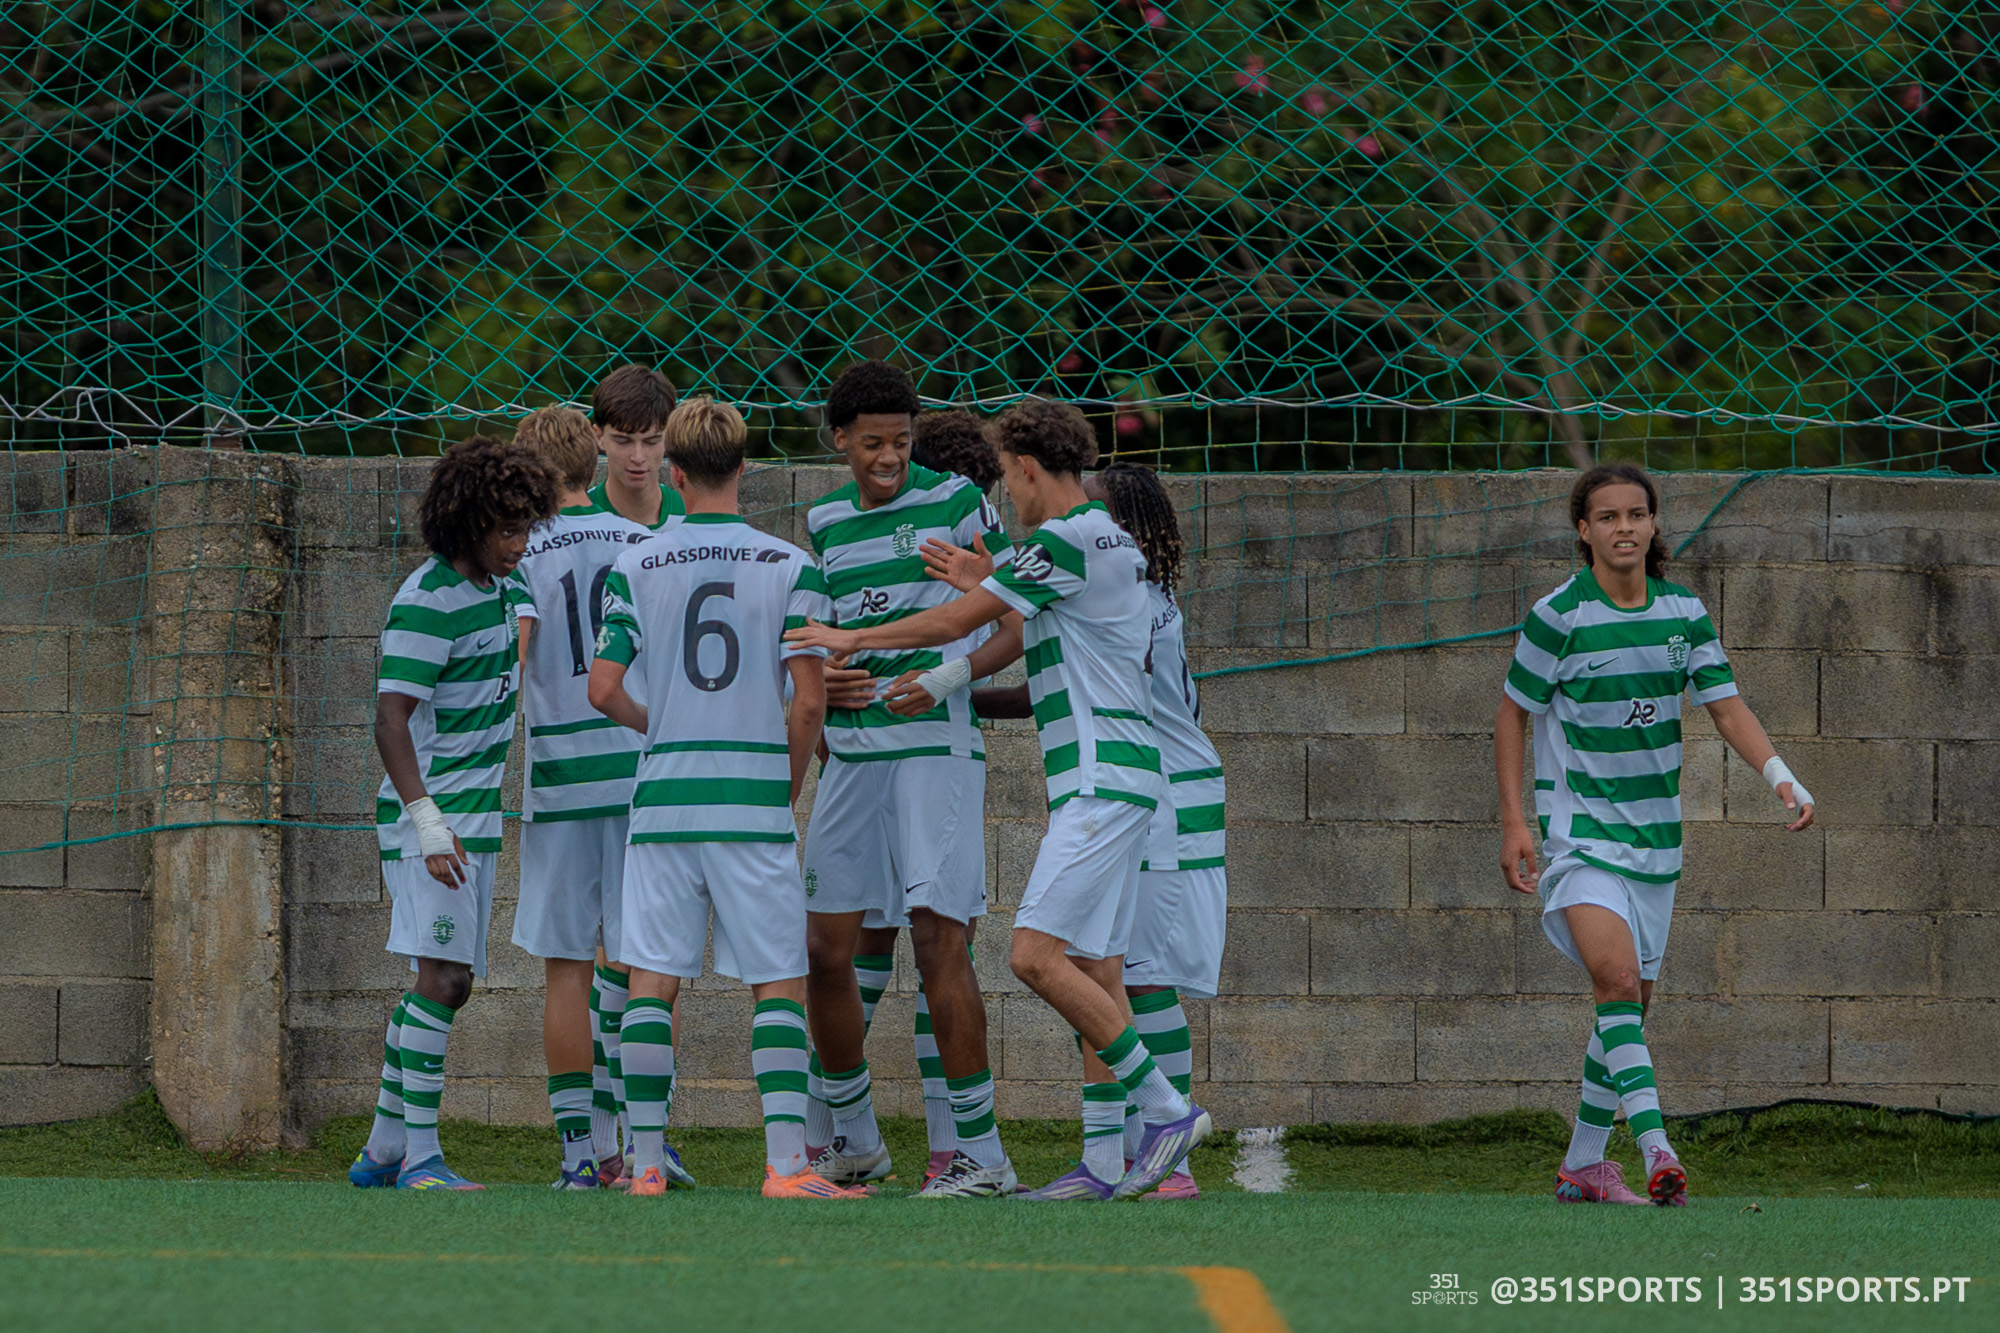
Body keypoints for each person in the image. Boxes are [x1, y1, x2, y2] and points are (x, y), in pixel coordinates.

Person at [787, 398, 1211, 1202]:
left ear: (1023, 468)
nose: (1005, 503)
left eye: (1008, 484)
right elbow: (1013, 604)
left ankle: (1165, 1110)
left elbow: (958, 616)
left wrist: (850, 640)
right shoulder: (1104, 541)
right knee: (1099, 965)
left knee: (1032, 956)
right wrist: (955, 658)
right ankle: (1104, 1162)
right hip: (1124, 779)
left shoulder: (1065, 536)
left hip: (1100, 781)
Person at [1495, 463, 1816, 1208]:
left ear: (1653, 523)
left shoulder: (1682, 613)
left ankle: (1582, 1164)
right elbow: (1513, 711)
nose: (1624, 528)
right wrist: (1515, 818)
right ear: (1584, 530)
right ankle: (1655, 1147)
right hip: (1582, 836)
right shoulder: (1560, 615)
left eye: (1636, 514)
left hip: (1657, 844)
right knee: (1615, 983)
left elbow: (1727, 708)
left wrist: (1783, 778)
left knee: (1629, 1009)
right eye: (1607, 516)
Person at [587, 396, 862, 1199]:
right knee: (776, 980)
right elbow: (809, 703)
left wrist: (663, 723)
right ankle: (785, 1166)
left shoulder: (635, 563)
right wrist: (783, 788)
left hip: (664, 800)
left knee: (650, 980)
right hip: (751, 801)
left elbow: (604, 687)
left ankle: (642, 1164)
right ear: (744, 469)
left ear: (673, 472)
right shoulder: (792, 565)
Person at [946, 461, 1223, 1199]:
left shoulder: (1128, 592)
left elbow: (1047, 671)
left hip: (1167, 795)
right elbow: (1047, 677)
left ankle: (1174, 1158)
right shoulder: (1127, 587)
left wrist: (953, 666)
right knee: (1101, 969)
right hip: (1146, 786)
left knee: (1141, 977)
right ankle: (1104, 1157)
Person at [797, 364, 1023, 1197]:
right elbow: (819, 638)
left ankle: (981, 1154)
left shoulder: (958, 499)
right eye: (873, 442)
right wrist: (829, 677)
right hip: (853, 759)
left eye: (901, 439)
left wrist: (947, 677)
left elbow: (1014, 620)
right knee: (823, 948)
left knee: (939, 943)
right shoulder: (822, 520)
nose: (889, 456)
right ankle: (854, 1138)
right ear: (841, 441)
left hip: (934, 749)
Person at [349, 435, 560, 1191]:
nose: (519, 543)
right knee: (441, 980)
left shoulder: (506, 589)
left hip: (477, 821)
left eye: (526, 528)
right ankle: (422, 1159)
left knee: (449, 981)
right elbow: (389, 717)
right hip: (431, 824)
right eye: (506, 530)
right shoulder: (427, 599)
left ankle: (380, 1150)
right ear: (466, 522)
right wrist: (426, 819)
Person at [510, 406, 696, 1190]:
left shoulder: (519, 554)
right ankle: (645, 1141)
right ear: (595, 458)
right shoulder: (645, 544)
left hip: (558, 776)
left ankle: (581, 1153)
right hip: (639, 771)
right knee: (641, 962)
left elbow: (512, 669)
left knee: (565, 971)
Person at [589, 364, 686, 530]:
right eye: (623, 441)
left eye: (651, 441)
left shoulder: (689, 517)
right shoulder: (576, 524)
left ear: (669, 436)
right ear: (599, 437)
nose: (638, 457)